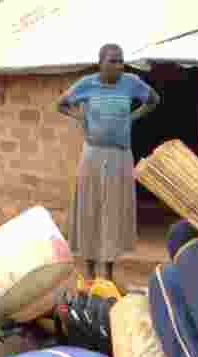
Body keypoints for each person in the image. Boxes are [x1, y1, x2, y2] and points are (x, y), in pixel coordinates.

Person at [56, 43, 160, 282]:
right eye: (113, 60)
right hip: (92, 154)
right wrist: (80, 117)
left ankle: (109, 272)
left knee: (112, 210)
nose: (118, 65)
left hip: (120, 155)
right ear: (100, 62)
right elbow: (60, 104)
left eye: (121, 60)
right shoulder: (86, 84)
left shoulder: (131, 82)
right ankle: (90, 270)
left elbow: (153, 100)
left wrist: (133, 117)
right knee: (90, 208)